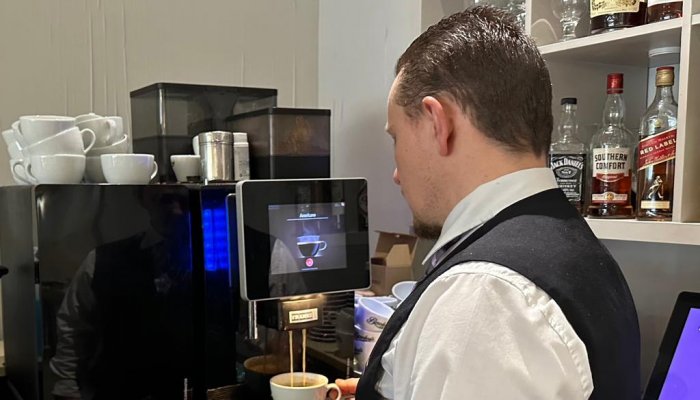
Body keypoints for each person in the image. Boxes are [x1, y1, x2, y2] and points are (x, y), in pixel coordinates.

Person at [338, 6, 640, 400]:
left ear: (436, 123)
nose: (396, 174)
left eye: (396, 138)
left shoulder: (485, 298)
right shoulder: (570, 245)